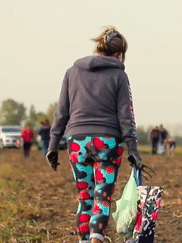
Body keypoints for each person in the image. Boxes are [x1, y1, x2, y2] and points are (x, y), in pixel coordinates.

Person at [46, 26, 146, 243]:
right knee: (102, 196)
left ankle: (85, 239)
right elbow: (126, 115)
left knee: (85, 198)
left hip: (76, 143)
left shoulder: (72, 72)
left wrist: (53, 145)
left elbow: (61, 112)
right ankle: (96, 238)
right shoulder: (119, 74)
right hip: (107, 142)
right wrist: (133, 148)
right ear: (118, 54)